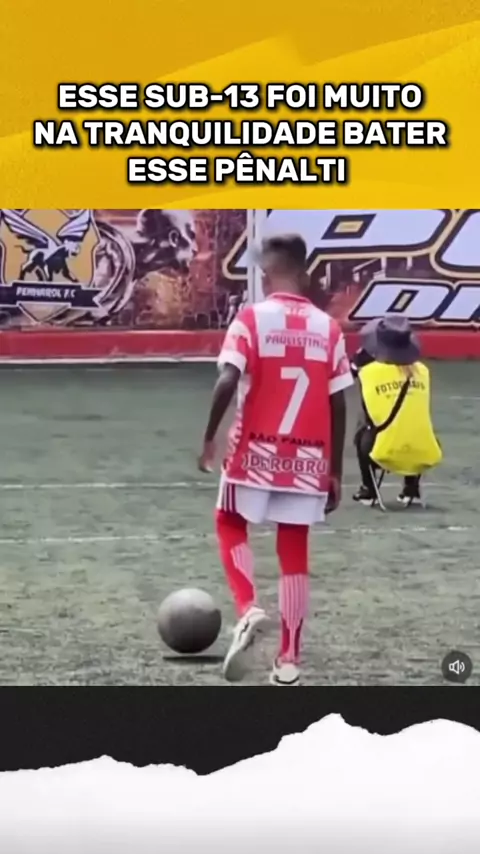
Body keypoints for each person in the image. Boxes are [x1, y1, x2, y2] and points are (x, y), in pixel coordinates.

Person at [198, 234, 354, 686]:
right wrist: (335, 470)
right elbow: (339, 401)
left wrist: (209, 437)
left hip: (254, 451)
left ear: (266, 276)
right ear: (303, 273)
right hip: (308, 456)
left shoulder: (251, 319)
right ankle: (288, 661)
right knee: (294, 548)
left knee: (229, 520)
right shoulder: (328, 328)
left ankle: (248, 606)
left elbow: (227, 380)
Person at [351, 314, 442, 507]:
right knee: (412, 422)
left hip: (382, 453)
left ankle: (368, 490)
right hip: (423, 453)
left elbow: (370, 415)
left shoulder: (368, 373)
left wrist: (358, 361)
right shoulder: (423, 371)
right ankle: (411, 489)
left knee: (364, 429)